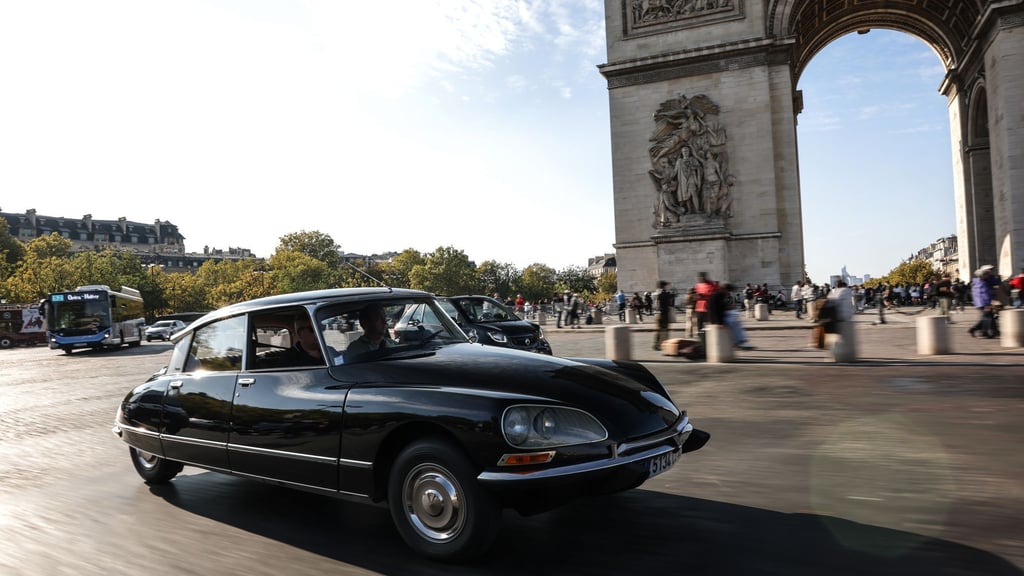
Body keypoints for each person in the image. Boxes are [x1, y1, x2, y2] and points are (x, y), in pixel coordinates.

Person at [720, 283, 754, 349]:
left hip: (722, 316)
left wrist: (730, 307)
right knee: (734, 322)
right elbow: (718, 308)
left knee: (736, 320)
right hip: (719, 318)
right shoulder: (718, 296)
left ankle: (739, 340)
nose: (729, 293)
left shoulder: (721, 295)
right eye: (728, 291)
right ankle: (740, 341)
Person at [968, 267, 997, 338]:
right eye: (987, 275)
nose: (988, 276)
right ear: (983, 276)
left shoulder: (977, 282)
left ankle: (985, 331)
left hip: (979, 302)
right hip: (984, 303)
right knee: (987, 317)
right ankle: (981, 331)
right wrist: (987, 304)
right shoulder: (983, 284)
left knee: (987, 317)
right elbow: (985, 294)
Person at [653, 281, 673, 350]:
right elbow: (670, 302)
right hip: (663, 314)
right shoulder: (664, 293)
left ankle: (656, 344)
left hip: (657, 313)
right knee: (665, 330)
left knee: (658, 330)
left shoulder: (656, 293)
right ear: (664, 286)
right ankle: (665, 345)